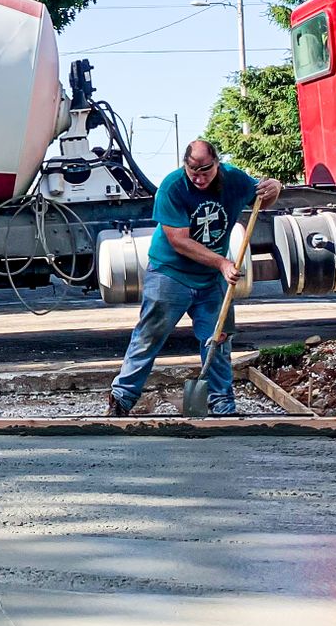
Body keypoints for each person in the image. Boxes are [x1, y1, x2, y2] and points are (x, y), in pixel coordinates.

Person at [107, 140, 282, 418]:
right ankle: (122, 398)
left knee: (218, 340)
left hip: (211, 280)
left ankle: (222, 405)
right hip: (170, 274)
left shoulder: (234, 178)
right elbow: (179, 241)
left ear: (217, 163)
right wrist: (222, 262)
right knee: (149, 336)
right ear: (184, 165)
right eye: (193, 171)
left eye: (205, 171)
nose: (199, 178)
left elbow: (262, 197)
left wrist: (274, 188)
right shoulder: (173, 186)